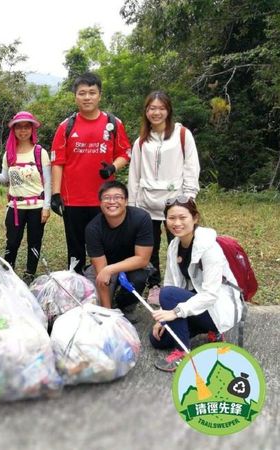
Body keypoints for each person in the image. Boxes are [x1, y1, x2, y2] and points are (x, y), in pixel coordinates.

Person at [50, 72, 132, 274]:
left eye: (92, 93)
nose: (87, 97)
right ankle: (77, 282)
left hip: (105, 199)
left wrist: (113, 167)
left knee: (107, 244)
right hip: (73, 199)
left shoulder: (113, 123)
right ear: (75, 96)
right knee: (76, 247)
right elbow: (58, 162)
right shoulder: (66, 127)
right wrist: (55, 194)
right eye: (82, 93)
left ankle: (108, 281)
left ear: (100, 95)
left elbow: (125, 153)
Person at [150, 196, 243, 372]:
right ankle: (202, 330)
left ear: (195, 218)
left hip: (215, 307)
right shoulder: (174, 245)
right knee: (157, 340)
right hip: (196, 305)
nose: (176, 223)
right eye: (171, 218)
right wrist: (164, 315)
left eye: (182, 217)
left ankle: (183, 353)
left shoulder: (209, 248)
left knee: (168, 294)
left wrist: (175, 312)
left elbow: (210, 295)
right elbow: (171, 281)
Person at [128, 91, 200, 305]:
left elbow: (191, 166)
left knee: (180, 244)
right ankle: (155, 285)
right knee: (148, 247)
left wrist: (189, 197)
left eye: (161, 108)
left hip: (175, 203)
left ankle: (182, 284)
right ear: (146, 111)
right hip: (146, 204)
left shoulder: (182, 135)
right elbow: (134, 173)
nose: (156, 112)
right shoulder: (141, 141)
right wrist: (132, 204)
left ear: (168, 110)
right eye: (152, 108)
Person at [0, 111, 51, 284]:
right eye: (19, 127)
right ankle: (9, 272)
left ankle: (30, 274)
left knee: (34, 242)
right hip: (15, 206)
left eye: (26, 127)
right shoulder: (9, 154)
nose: (23, 131)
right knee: (12, 242)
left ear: (32, 129)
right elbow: (6, 179)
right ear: (14, 130)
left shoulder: (39, 152)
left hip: (37, 205)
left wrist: (47, 207)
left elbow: (48, 182)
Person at [84, 181, 154, 322]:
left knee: (138, 278)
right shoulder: (93, 229)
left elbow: (142, 259)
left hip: (132, 265)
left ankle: (125, 306)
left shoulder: (141, 218)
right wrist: (107, 312)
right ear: (100, 203)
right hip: (104, 267)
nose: (112, 202)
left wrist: (110, 269)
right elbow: (101, 270)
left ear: (126, 201)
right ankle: (112, 308)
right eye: (107, 198)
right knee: (94, 308)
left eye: (118, 197)